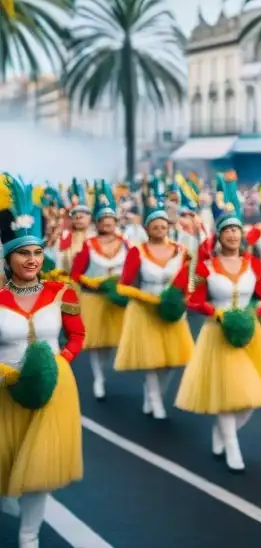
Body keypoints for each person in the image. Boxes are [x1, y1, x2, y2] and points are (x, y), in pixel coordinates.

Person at [174, 174, 261, 472]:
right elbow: (193, 300)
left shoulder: (255, 265)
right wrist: (216, 312)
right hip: (217, 334)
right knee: (226, 394)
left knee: (249, 399)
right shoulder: (207, 267)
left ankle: (223, 431)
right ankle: (232, 445)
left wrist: (255, 313)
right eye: (228, 231)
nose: (233, 235)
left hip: (250, 334)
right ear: (219, 237)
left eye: (237, 230)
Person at [0, 174, 85, 548]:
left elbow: (78, 335)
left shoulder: (62, 291)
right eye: (23, 253)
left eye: (36, 253)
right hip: (6, 387)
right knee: (8, 460)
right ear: (8, 259)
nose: (31, 260)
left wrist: (63, 360)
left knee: (40, 467)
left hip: (55, 388)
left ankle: (29, 536)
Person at [113, 177, 194, 419]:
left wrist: (184, 299)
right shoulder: (138, 251)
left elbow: (188, 280)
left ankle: (154, 392)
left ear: (169, 227)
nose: (160, 230)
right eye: (155, 226)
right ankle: (155, 399)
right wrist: (148, 299)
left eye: (163, 226)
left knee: (171, 361)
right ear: (147, 228)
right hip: (145, 310)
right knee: (152, 359)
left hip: (171, 309)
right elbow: (123, 286)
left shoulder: (182, 251)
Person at [69, 180, 130, 400]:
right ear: (98, 223)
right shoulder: (89, 245)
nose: (106, 224)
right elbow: (75, 273)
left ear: (116, 222)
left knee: (117, 341)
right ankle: (98, 378)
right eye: (103, 221)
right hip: (94, 299)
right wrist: (94, 282)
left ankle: (107, 371)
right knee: (96, 344)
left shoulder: (125, 244)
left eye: (110, 221)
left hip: (118, 299)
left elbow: (133, 270)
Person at [53, 179, 92, 274]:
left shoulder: (96, 237)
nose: (78, 218)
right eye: (75, 215)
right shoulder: (63, 238)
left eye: (82, 215)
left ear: (90, 217)